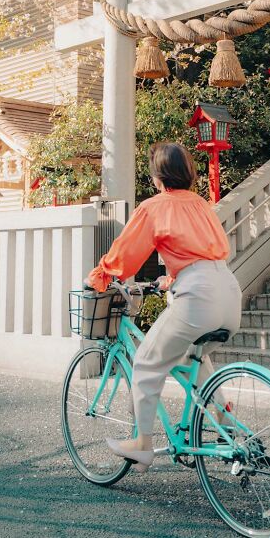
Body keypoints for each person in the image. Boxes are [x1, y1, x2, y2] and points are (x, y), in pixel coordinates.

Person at [86, 141, 242, 471]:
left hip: (198, 296)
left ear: (158, 178)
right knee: (193, 356)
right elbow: (200, 254)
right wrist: (169, 280)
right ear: (188, 174)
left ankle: (142, 445)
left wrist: (99, 277)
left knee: (145, 361)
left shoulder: (155, 207)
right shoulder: (202, 206)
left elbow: (125, 256)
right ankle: (225, 415)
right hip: (228, 290)